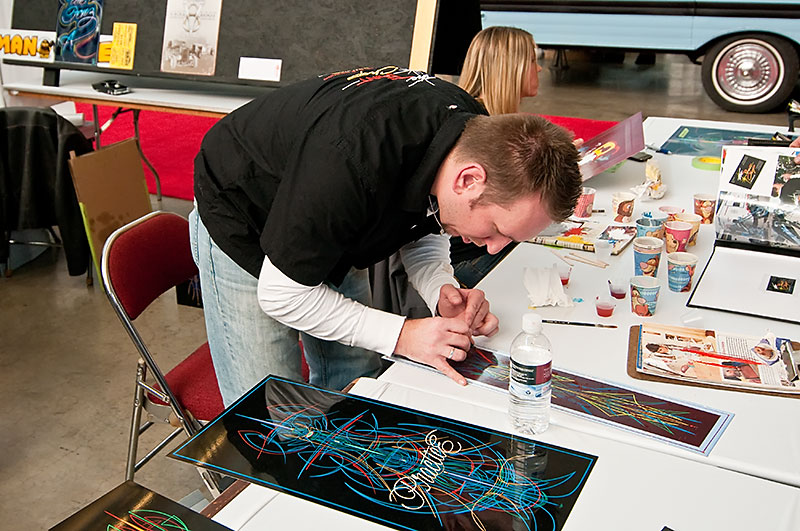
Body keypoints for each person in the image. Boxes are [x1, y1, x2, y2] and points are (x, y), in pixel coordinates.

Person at [190, 66, 582, 405]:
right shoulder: (349, 164)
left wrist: (440, 287)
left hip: (329, 214)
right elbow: (282, 295)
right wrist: (403, 335)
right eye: (497, 230)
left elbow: (421, 216)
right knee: (271, 407)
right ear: (468, 180)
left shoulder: (472, 136)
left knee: (357, 375)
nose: (495, 248)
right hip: (246, 214)